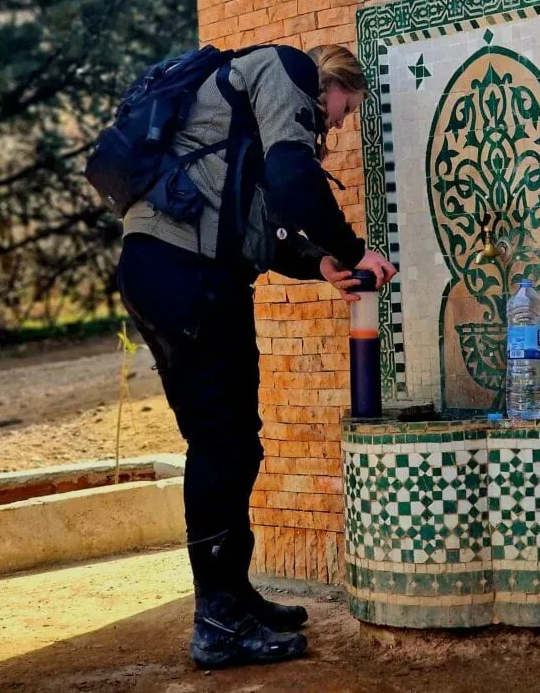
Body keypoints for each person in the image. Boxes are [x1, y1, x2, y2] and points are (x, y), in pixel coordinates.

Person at [117, 43, 396, 670]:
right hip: (185, 275)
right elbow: (297, 184)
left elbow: (262, 226)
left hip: (170, 271)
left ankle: (234, 598)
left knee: (235, 443)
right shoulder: (287, 70)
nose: (337, 125)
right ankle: (217, 623)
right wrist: (354, 252)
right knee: (222, 445)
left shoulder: (243, 117)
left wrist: (318, 263)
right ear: (331, 85)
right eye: (343, 110)